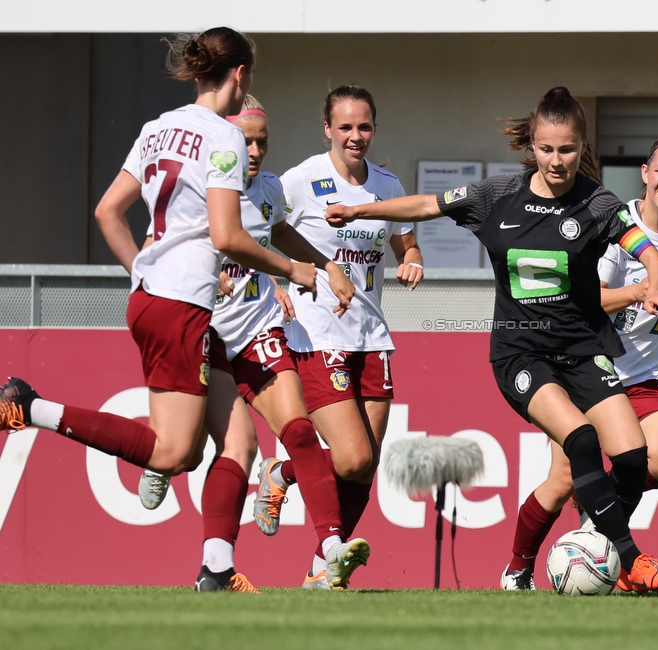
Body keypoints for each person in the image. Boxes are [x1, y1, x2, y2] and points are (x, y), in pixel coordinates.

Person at [0, 27, 319, 591]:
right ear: (240, 75)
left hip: (152, 298)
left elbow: (107, 212)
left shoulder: (157, 128)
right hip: (181, 306)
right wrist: (293, 269)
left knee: (227, 445)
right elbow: (227, 236)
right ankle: (30, 407)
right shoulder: (222, 137)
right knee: (173, 453)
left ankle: (217, 570)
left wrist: (142, 273)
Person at [326, 86, 658, 592]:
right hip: (520, 353)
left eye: (568, 150)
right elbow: (427, 204)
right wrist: (361, 212)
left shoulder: (598, 203)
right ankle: (630, 560)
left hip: (583, 352)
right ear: (531, 147)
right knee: (580, 441)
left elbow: (651, 255)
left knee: (631, 458)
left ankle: (581, 554)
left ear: (583, 148)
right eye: (547, 149)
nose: (557, 161)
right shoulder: (497, 197)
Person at [138, 95, 367, 591]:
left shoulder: (268, 188)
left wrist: (326, 267)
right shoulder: (199, 190)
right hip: (205, 333)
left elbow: (279, 232)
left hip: (257, 330)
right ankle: (157, 463)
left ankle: (331, 549)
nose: (257, 150)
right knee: (191, 452)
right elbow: (157, 247)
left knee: (300, 432)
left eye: (264, 140)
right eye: (248, 141)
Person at [500, 136, 658, 591]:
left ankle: (598, 539)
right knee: (563, 479)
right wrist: (640, 291)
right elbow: (579, 303)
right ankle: (518, 568)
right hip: (584, 368)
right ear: (645, 173)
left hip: (642, 375)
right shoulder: (609, 226)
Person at [251, 87, 424, 584]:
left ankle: (321, 572)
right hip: (317, 332)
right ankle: (281, 472)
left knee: (363, 471)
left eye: (364, 126)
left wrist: (411, 259)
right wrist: (276, 285)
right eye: (345, 127)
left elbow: (405, 241)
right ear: (327, 129)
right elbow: (261, 233)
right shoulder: (301, 180)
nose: (355, 136)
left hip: (373, 336)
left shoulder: (386, 184)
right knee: (352, 457)